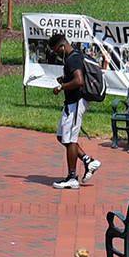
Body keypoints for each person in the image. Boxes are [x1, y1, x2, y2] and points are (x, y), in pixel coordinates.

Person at [49, 32, 101, 189]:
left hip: (76, 103)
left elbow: (79, 81)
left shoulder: (73, 59)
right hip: (70, 103)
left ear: (62, 46)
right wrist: (65, 81)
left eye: (57, 51)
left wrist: (61, 87)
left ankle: (72, 178)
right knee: (62, 137)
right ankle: (88, 161)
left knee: (71, 139)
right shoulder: (74, 57)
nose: (57, 54)